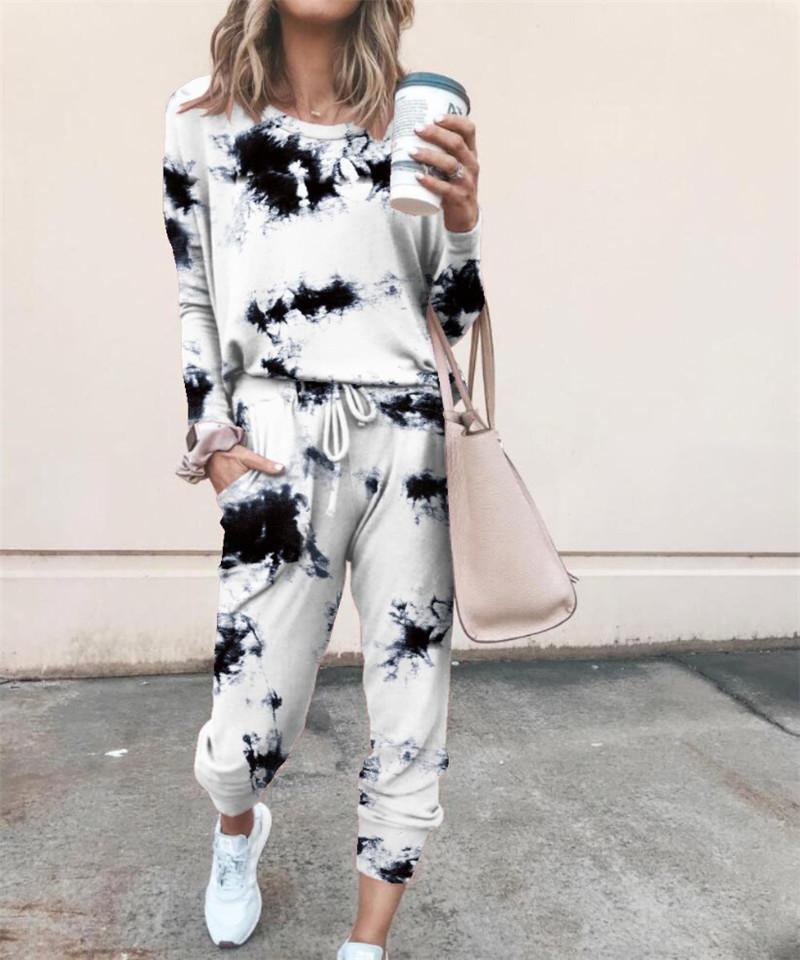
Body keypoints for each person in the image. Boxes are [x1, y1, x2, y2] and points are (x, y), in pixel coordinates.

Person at [161, 0, 485, 955]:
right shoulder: (201, 115)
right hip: (275, 438)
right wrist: (215, 441)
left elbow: (454, 319)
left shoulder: (418, 112)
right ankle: (236, 828)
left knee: (411, 704)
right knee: (242, 733)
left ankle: (366, 943)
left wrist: (464, 225)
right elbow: (193, 291)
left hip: (410, 441)